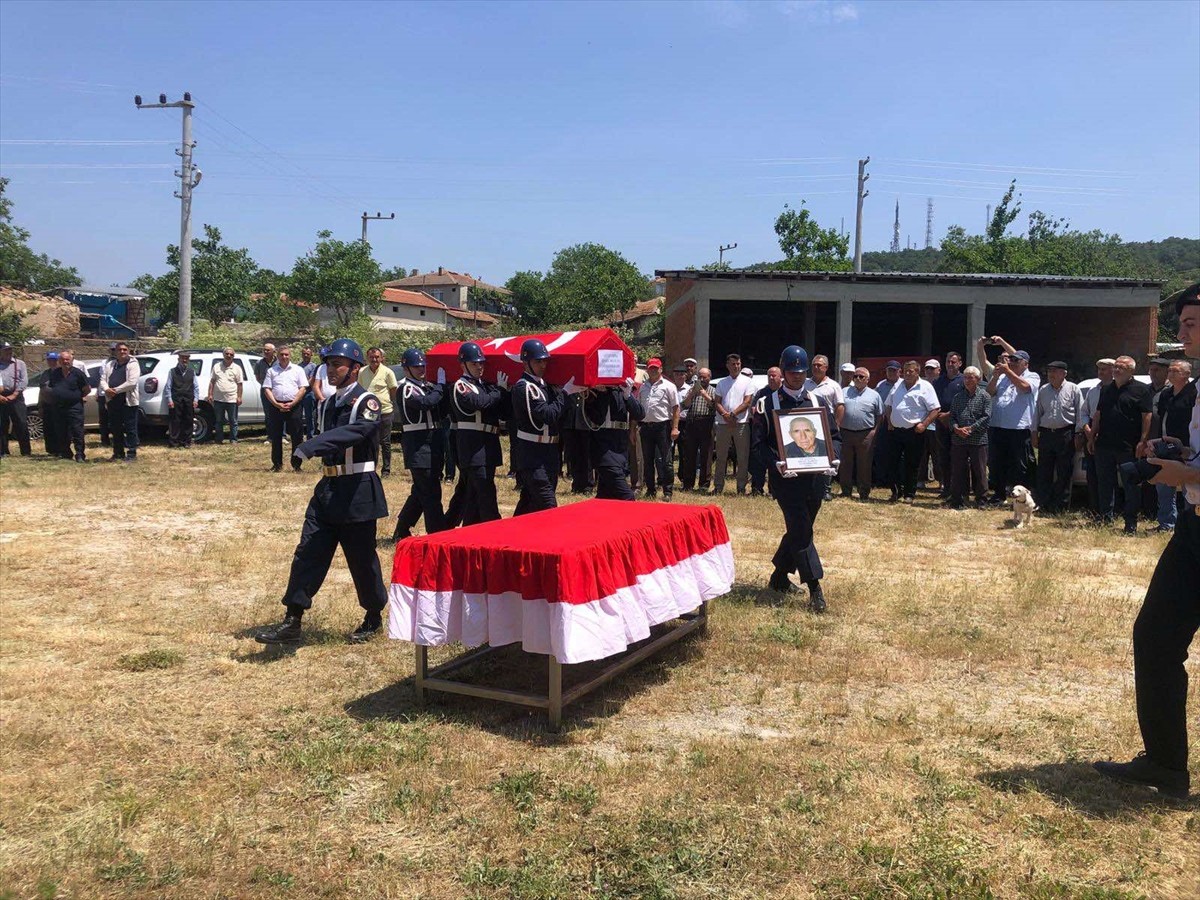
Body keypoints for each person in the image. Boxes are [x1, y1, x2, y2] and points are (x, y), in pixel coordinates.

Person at [1093, 283, 1200, 801]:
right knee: (1155, 637)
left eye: (1190, 325)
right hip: (1195, 529)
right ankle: (1165, 764)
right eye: (1180, 324)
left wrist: (1183, 474)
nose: (1180, 335)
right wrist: (1180, 454)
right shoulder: (1198, 388)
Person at [255, 339, 389, 646]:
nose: (330, 370)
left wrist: (310, 446)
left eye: (337, 364)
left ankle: (373, 615)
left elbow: (356, 433)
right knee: (308, 551)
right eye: (328, 364)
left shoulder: (367, 402)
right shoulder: (328, 402)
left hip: (358, 490)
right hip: (328, 488)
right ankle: (293, 618)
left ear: (355, 369)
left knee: (361, 558)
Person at [753, 344, 828, 613]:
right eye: (792, 371)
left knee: (801, 528)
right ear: (783, 372)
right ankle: (815, 588)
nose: (797, 376)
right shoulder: (767, 403)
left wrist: (834, 457)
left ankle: (779, 577)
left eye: (801, 372)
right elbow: (759, 445)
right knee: (801, 529)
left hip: (815, 479)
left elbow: (835, 438)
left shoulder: (818, 401)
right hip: (786, 480)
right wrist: (776, 463)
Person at [1089, 355, 1153, 534]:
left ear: (1131, 370)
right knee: (1105, 483)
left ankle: (1130, 523)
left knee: (1131, 485)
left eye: (1121, 367)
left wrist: (1143, 440)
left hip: (1128, 446)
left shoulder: (1141, 390)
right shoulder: (1107, 389)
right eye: (1115, 367)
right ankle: (1105, 518)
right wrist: (1092, 436)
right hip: (1104, 445)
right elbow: (1098, 414)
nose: (1116, 370)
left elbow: (1146, 416)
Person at [444, 341, 504, 526]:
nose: (479, 367)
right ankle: (494, 530)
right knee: (485, 493)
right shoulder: (460, 386)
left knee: (472, 495)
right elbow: (479, 402)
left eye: (481, 363)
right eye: (474, 363)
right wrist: (499, 389)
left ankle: (464, 529)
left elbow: (496, 407)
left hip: (488, 444)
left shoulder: (484, 385)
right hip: (473, 447)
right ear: (463, 365)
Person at [511, 338, 573, 515]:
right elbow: (547, 416)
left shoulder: (546, 386)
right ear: (526, 362)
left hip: (549, 453)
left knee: (529, 504)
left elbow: (560, 416)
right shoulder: (524, 388)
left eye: (545, 360)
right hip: (532, 455)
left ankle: (511, 537)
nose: (543, 365)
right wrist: (565, 394)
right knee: (548, 505)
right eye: (538, 361)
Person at [391, 348, 447, 540]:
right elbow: (426, 403)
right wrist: (440, 386)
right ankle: (437, 533)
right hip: (418, 445)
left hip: (432, 443)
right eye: (417, 366)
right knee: (431, 492)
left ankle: (402, 529)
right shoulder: (406, 388)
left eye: (423, 365)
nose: (421, 369)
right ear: (406, 369)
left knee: (421, 491)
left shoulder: (425, 385)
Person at [982, 338, 1040, 503]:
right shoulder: (1003, 377)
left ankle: (1021, 497)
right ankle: (999, 494)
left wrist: (1007, 371)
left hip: (1019, 428)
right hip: (998, 426)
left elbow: (1024, 387)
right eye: (1011, 360)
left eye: (1016, 360)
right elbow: (989, 392)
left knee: (1020, 464)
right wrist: (996, 376)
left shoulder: (1032, 376)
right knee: (996, 462)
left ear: (1026, 364)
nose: (1012, 362)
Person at [1146, 359, 1194, 533]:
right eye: (1170, 371)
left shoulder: (1194, 393)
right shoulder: (1166, 394)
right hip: (1165, 445)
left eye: (1176, 371)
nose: (1171, 373)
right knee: (1164, 485)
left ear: (1187, 374)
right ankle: (1167, 523)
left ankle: (1191, 525)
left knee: (1190, 486)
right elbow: (1160, 418)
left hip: (1188, 447)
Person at [1031, 360, 1085, 514]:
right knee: (1044, 471)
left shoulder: (1073, 389)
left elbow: (1080, 414)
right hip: (1047, 434)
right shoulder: (1043, 390)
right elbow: (1037, 413)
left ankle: (1060, 505)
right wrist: (1034, 432)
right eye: (1049, 371)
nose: (1051, 375)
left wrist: (1078, 434)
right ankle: (1043, 503)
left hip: (1065, 434)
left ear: (1064, 373)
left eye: (1055, 371)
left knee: (1064, 471)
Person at [883, 361, 941, 503]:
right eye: (905, 371)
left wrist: (924, 424)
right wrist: (889, 422)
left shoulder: (926, 387)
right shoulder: (897, 385)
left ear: (917, 372)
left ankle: (909, 493)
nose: (907, 373)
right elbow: (888, 405)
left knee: (912, 464)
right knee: (892, 462)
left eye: (911, 371)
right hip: (895, 430)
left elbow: (936, 409)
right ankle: (896, 491)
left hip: (915, 431)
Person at [583, 377, 644, 500]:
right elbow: (596, 418)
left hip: (620, 445)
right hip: (603, 446)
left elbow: (639, 414)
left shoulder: (623, 391)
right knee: (626, 495)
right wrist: (602, 393)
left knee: (605, 495)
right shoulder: (595, 392)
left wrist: (628, 395)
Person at [946, 366, 992, 509]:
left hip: (978, 440)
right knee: (958, 470)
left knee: (979, 470)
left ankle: (981, 500)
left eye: (971, 377)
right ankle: (958, 499)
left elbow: (986, 417)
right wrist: (956, 429)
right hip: (959, 439)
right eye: (965, 377)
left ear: (978, 379)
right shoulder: (958, 397)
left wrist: (971, 428)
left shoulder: (985, 396)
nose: (967, 380)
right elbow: (952, 417)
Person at [637, 358, 680, 500]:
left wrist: (675, 428)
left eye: (656, 368)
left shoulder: (669, 386)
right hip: (646, 427)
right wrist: (633, 428)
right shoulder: (643, 387)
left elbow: (675, 408)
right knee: (647, 460)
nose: (653, 370)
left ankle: (667, 491)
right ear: (647, 370)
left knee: (666, 460)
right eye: (651, 368)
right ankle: (650, 489)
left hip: (663, 427)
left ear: (661, 369)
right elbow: (637, 408)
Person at [839, 367, 882, 501]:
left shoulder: (874, 395)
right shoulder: (844, 392)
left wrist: (874, 431)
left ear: (868, 380)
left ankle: (864, 492)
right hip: (845, 432)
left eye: (861, 377)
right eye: (855, 376)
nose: (857, 378)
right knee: (845, 463)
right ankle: (846, 491)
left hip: (865, 434)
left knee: (864, 464)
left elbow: (880, 415)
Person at [805, 355, 845, 501]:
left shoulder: (833, 385)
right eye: (814, 365)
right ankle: (809, 486)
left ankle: (826, 489)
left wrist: (837, 425)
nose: (816, 368)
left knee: (826, 457)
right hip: (807, 427)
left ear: (826, 368)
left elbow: (840, 406)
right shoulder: (805, 383)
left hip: (826, 426)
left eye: (819, 365)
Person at [712, 353, 753, 495]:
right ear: (727, 365)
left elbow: (747, 402)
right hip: (723, 424)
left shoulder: (747, 382)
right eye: (733, 364)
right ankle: (718, 487)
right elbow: (717, 402)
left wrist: (733, 415)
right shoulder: (722, 383)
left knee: (742, 457)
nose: (736, 366)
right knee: (721, 457)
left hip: (741, 423)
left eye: (738, 364)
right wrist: (725, 415)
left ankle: (741, 488)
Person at [264, 346, 308, 473]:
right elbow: (267, 389)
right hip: (276, 406)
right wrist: (276, 404)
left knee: (297, 436)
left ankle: (297, 465)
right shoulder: (271, 371)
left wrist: (293, 403)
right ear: (277, 356)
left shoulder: (298, 370)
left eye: (286, 355)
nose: (284, 357)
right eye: (282, 354)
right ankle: (277, 464)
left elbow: (303, 388)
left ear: (290, 356)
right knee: (276, 436)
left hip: (294, 406)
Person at [1082, 357, 1116, 516]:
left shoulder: (1118, 389)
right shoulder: (1092, 390)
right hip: (1091, 436)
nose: (1100, 372)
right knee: (1093, 475)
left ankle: (1110, 510)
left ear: (1113, 371)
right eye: (1099, 369)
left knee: (1109, 477)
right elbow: (1084, 412)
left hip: (1110, 436)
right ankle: (1094, 508)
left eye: (1104, 369)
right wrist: (1086, 429)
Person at [358, 347, 399, 477]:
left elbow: (393, 391)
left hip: (385, 411)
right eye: (371, 357)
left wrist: (386, 402)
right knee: (370, 441)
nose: (374, 359)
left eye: (377, 357)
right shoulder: (362, 372)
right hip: (368, 412)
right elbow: (359, 389)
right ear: (367, 358)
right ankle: (371, 468)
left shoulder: (388, 372)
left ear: (382, 358)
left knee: (385, 442)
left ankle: (386, 470)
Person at [932, 353, 965, 500]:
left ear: (960, 363)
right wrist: (939, 416)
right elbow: (933, 401)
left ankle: (961, 489)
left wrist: (949, 415)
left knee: (959, 458)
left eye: (953, 362)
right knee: (943, 457)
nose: (950, 364)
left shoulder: (964, 380)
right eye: (947, 361)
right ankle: (946, 488)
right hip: (940, 424)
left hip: (958, 424)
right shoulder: (939, 381)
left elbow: (966, 402)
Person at [680, 366, 719, 492]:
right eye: (700, 376)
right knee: (689, 454)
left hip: (706, 422)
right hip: (691, 423)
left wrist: (703, 393)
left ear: (709, 378)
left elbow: (715, 406)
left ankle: (704, 484)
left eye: (704, 377)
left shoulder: (714, 391)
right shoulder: (692, 389)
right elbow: (684, 405)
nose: (702, 379)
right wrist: (692, 394)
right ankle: (688, 484)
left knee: (706, 455)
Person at [47, 350, 90, 462]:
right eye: (63, 360)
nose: (65, 362)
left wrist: (76, 397)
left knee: (77, 431)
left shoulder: (78, 373)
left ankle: (80, 454)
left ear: (71, 360)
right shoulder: (55, 373)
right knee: (61, 431)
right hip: (59, 407)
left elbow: (86, 389)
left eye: (67, 359)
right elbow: (53, 388)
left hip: (74, 407)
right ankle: (65, 453)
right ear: (59, 361)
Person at [101, 342, 140, 462]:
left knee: (130, 428)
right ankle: (118, 453)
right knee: (115, 428)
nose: (122, 352)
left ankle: (131, 453)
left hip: (128, 401)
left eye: (125, 349)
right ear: (115, 352)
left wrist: (115, 390)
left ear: (128, 351)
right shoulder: (110, 365)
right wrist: (107, 389)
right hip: (113, 400)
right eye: (120, 350)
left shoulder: (133, 364)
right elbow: (103, 379)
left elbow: (132, 382)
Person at [749, 367, 783, 497]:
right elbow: (753, 408)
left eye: (774, 376)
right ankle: (757, 489)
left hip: (777, 434)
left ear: (781, 377)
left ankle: (774, 491)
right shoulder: (762, 392)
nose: (771, 378)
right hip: (762, 432)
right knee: (759, 461)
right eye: (769, 376)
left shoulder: (783, 392)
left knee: (775, 463)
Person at [872, 360, 902, 488]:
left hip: (898, 422)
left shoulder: (903, 384)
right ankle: (881, 479)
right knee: (882, 451)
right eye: (889, 370)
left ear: (899, 371)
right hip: (884, 421)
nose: (891, 372)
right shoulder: (880, 385)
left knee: (898, 453)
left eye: (894, 370)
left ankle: (897, 480)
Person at [0, 342, 31, 457]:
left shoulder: (20, 364)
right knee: (2, 424)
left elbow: (24, 380)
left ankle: (26, 451)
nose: (9, 352)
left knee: (21, 423)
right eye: (6, 350)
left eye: (10, 350)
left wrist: (15, 394)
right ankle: (3, 451)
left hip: (17, 396)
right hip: (1, 396)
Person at [207, 347, 244, 443]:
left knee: (233, 421)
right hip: (218, 399)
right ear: (223, 355)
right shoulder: (216, 366)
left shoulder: (237, 368)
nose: (229, 356)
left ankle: (233, 439)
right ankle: (219, 439)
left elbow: (240, 384)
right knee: (219, 421)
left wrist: (239, 397)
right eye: (227, 354)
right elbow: (212, 381)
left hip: (232, 399)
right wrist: (210, 394)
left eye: (231, 354)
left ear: (233, 356)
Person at [164, 350, 199, 449]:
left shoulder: (192, 372)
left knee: (188, 421)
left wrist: (196, 399)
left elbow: (196, 387)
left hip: (189, 399)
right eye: (183, 358)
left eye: (186, 358)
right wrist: (169, 400)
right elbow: (168, 387)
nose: (184, 360)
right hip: (176, 399)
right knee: (175, 421)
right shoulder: (172, 371)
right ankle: (174, 442)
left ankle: (186, 442)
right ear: (178, 359)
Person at [37, 351, 60, 456]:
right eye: (49, 360)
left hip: (59, 405)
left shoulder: (61, 372)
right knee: (48, 428)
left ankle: (60, 449)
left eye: (54, 360)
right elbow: (41, 390)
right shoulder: (45, 373)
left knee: (58, 427)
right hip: (47, 404)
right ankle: (51, 450)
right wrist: (40, 406)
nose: (51, 362)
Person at [98, 342, 116, 447]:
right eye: (112, 350)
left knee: (114, 418)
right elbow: (101, 378)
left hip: (114, 393)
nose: (113, 352)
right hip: (102, 393)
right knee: (103, 419)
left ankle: (116, 439)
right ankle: (104, 440)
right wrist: (98, 392)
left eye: (115, 350)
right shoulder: (104, 362)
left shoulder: (120, 362)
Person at [299, 346, 318, 439]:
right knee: (298, 416)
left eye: (307, 353)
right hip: (298, 394)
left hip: (309, 394)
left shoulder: (314, 366)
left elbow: (310, 382)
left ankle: (311, 436)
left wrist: (303, 380)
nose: (305, 355)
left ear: (311, 354)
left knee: (309, 416)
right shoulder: (298, 366)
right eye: (304, 353)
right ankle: (299, 435)